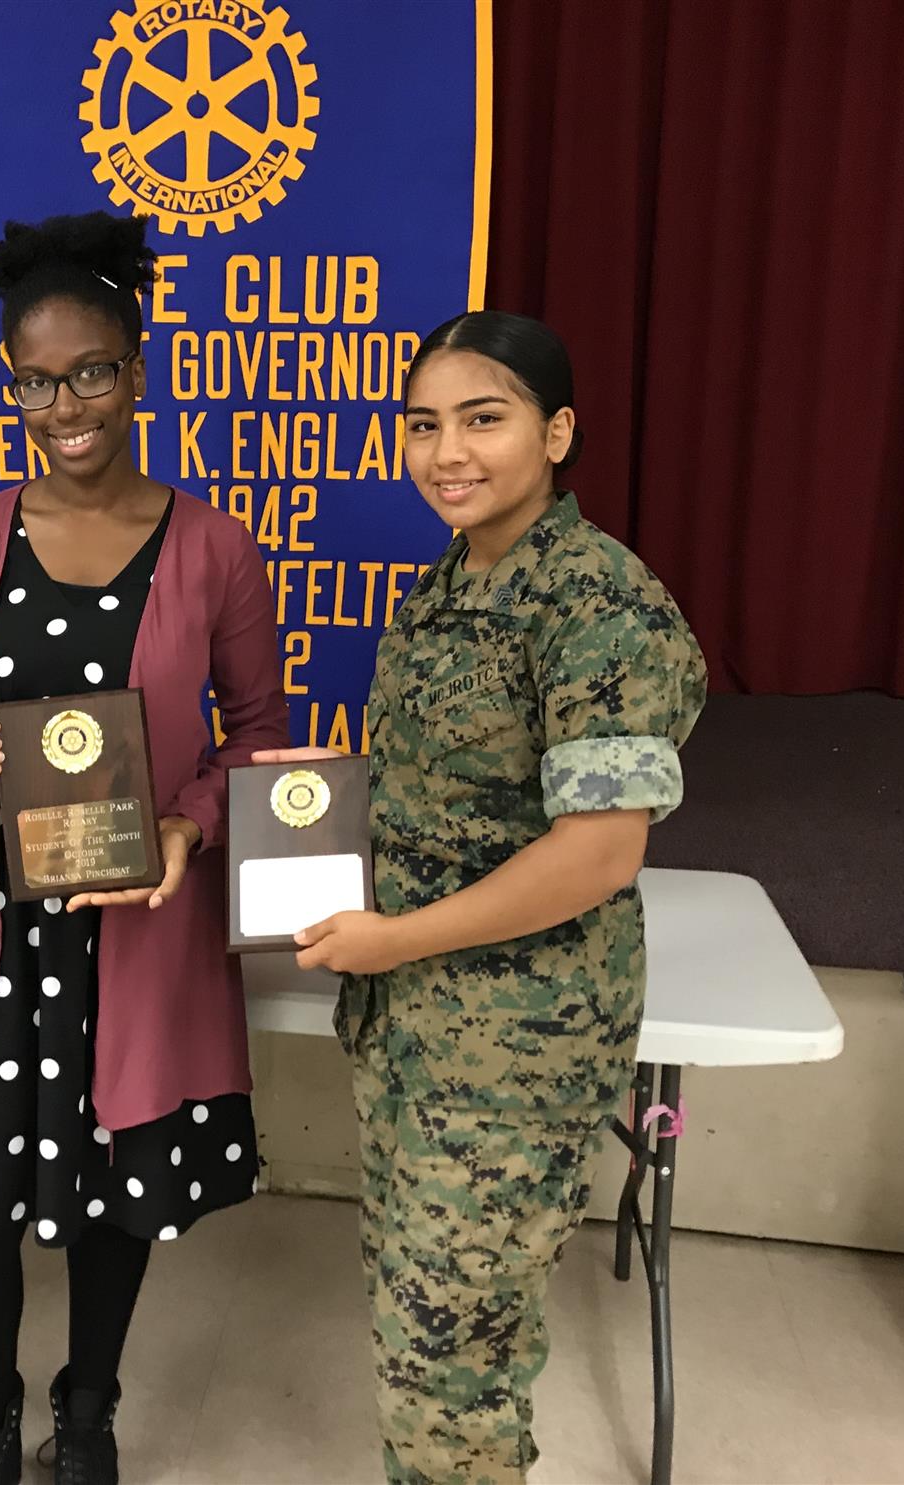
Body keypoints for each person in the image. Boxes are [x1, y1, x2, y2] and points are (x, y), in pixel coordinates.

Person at [255, 311, 708, 1483]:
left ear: (556, 433)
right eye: (423, 424)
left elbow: (599, 853)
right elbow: (453, 788)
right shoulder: (454, 581)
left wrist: (395, 939)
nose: (447, 451)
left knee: (453, 1362)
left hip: (516, 1046)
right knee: (421, 1326)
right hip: (417, 1030)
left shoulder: (597, 602)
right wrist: (319, 797)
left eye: (483, 419)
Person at [0, 212, 290, 1485]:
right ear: (8, 386)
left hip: (138, 917)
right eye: (35, 380)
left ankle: (88, 1411)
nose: (63, 406)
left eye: (91, 373)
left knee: (120, 1184)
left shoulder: (214, 546)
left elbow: (261, 736)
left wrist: (190, 821)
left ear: (138, 371)